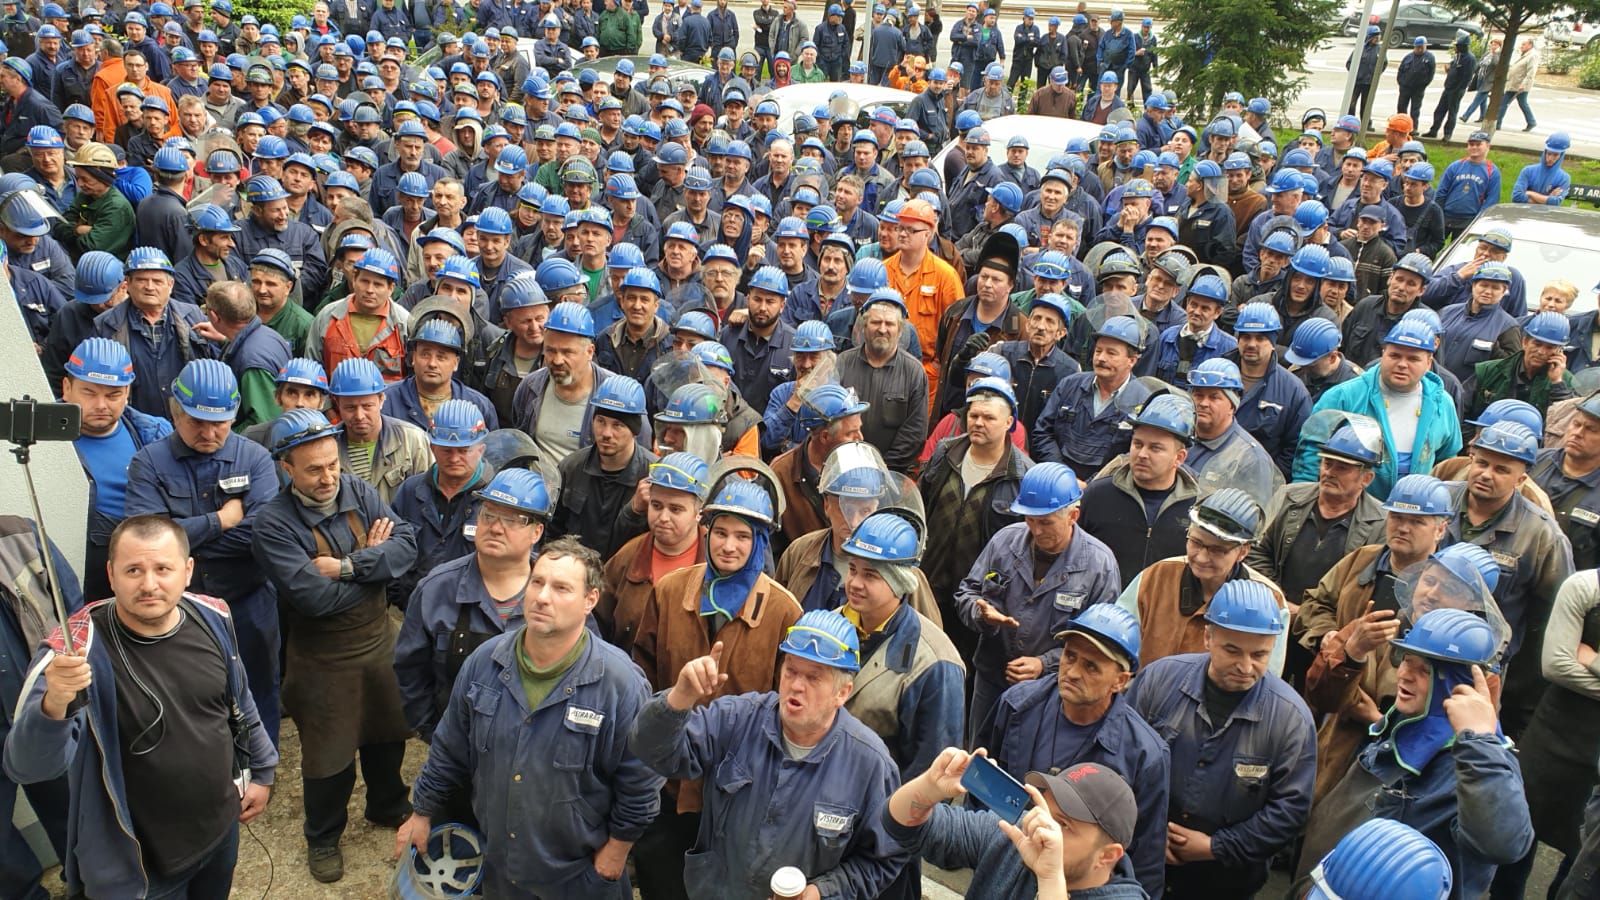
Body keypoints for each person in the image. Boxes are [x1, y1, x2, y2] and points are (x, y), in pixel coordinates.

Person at [3, 514, 277, 900]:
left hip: (219, 831)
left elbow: (240, 699)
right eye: (133, 570)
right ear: (111, 574)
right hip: (140, 868)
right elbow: (28, 768)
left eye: (162, 568)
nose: (149, 584)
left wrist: (262, 771)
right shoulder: (73, 653)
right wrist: (54, 705)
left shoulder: (213, 616)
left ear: (187, 570)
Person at [397, 536, 664, 897]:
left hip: (581, 875)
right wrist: (422, 811)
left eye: (561, 588)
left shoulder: (620, 684)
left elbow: (641, 780)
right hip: (502, 868)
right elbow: (449, 747)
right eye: (537, 582)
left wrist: (617, 849)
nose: (542, 596)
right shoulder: (485, 662)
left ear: (590, 600)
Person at [628, 608, 910, 900]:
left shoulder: (870, 764)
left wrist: (822, 893)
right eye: (791, 670)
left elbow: (883, 858)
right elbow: (652, 751)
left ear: (843, 692)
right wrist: (680, 698)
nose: (796, 685)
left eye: (814, 678)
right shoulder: (737, 720)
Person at [250, 408, 418, 883]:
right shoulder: (273, 524)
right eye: (314, 469)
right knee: (329, 757)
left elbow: (406, 545)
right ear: (287, 468)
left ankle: (386, 804)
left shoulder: (358, 490)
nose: (328, 478)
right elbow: (314, 599)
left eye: (333, 465)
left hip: (378, 641)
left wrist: (349, 565)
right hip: (322, 657)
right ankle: (322, 835)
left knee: (388, 733)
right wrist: (375, 564)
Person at [627, 477, 803, 900]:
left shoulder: (784, 610)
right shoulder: (669, 591)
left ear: (760, 541)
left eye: (743, 536)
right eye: (721, 532)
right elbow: (644, 671)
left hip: (740, 788)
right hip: (668, 779)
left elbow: (787, 707)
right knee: (662, 878)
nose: (729, 546)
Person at [1296, 608, 1534, 900]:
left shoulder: (1480, 761)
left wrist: (1481, 744)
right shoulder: (1405, 722)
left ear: (1456, 684)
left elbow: (1504, 844)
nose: (1404, 675)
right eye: (1406, 662)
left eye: (1424, 671)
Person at [124, 359, 282, 745]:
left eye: (221, 422)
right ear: (175, 413)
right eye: (198, 421)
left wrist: (180, 537)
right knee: (188, 694)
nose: (210, 433)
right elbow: (146, 541)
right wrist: (220, 520)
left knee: (259, 688)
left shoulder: (255, 458)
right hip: (179, 607)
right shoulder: (149, 463)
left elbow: (261, 536)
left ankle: (261, 768)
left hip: (248, 602)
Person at [1126, 579, 1317, 898]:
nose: (1245, 667)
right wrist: (1147, 835)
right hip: (1141, 862)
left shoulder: (1290, 720)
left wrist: (1215, 847)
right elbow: (1118, 760)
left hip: (1226, 882)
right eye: (1232, 650)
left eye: (1260, 654)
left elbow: (1291, 812)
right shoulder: (1158, 682)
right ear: (1207, 637)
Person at [1296, 478, 1461, 797]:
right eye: (1397, 517)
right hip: (1332, 714)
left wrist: (1379, 718)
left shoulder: (1445, 589)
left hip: (1399, 735)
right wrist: (1332, 638)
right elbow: (1314, 603)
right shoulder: (1362, 561)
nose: (1403, 527)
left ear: (1440, 529)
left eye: (1417, 521)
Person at [957, 461, 1120, 738]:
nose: (1036, 530)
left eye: (1045, 522)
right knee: (980, 758)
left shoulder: (1099, 565)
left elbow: (1100, 643)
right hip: (993, 678)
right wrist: (979, 613)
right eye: (1029, 520)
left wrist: (1045, 664)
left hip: (1052, 691)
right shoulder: (1004, 542)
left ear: (1073, 515)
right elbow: (967, 592)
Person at [1444, 421, 1575, 738]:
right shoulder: (1440, 501)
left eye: (1502, 469)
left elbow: (1554, 616)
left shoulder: (1541, 534)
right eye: (1482, 463)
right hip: (1416, 650)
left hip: (1483, 670)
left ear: (1522, 478)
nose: (1486, 474)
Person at [882, 748, 1149, 900]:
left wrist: (1049, 878)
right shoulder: (1018, 832)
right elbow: (902, 826)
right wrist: (930, 786)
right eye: (1045, 809)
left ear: (1107, 855)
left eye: (1064, 825)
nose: (1042, 826)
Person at [1118, 488, 1290, 672]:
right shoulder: (1156, 577)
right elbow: (1117, 647)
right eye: (1195, 542)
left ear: (1243, 551)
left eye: (1217, 550)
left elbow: (1266, 677)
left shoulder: (1270, 600)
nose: (1201, 557)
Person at [1298, 319, 1463, 499]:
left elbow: (1447, 462)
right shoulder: (1343, 396)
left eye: (1413, 358)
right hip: (1348, 513)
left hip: (1411, 514)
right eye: (1395, 355)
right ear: (1383, 354)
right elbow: (1310, 456)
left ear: (1429, 362)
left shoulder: (1442, 403)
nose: (1402, 364)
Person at [1247, 422, 1387, 630]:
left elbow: (1364, 589)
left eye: (1342, 468)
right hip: (1272, 616)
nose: (1330, 472)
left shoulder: (1380, 524)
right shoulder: (1289, 497)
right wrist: (1279, 599)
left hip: (1329, 630)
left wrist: (1307, 615)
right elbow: (1256, 551)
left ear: (1366, 478)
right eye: (1327, 464)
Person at [548, 376, 655, 561]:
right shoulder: (571, 467)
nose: (606, 433)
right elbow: (552, 532)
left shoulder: (653, 475)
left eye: (618, 425)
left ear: (634, 431)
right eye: (600, 421)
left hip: (624, 580)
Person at [1033, 316, 1150, 476]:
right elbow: (1043, 432)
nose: (1101, 358)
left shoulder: (1143, 402)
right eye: (1098, 350)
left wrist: (1093, 486)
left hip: (1106, 490)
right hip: (1055, 478)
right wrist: (1062, 476)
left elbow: (1133, 457)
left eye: (1111, 353)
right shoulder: (1070, 385)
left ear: (1131, 360)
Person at [834, 292, 929, 472]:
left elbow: (914, 434)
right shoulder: (842, 363)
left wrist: (882, 468)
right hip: (843, 467)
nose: (882, 329)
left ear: (900, 330)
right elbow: (830, 420)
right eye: (876, 322)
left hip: (892, 474)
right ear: (863, 326)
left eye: (890, 324)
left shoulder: (914, 372)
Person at [1184, 358, 1281, 507]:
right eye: (1198, 394)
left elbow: (1251, 521)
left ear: (1233, 405)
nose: (1203, 403)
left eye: (1214, 397)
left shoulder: (1251, 460)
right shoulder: (1179, 437)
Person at [1423, 34, 1475, 141]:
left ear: (1464, 46)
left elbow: (1467, 77)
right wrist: (1449, 70)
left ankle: (1447, 134)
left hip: (1456, 90)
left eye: (1458, 45)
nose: (1455, 47)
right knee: (1439, 111)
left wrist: (1458, 89)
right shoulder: (1458, 56)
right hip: (1448, 88)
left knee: (1452, 113)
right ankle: (1434, 130)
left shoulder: (1469, 59)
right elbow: (1453, 67)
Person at [1514, 132, 1570, 205]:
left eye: (1555, 155)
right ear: (1545, 152)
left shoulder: (1564, 178)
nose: (1550, 158)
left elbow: (1556, 202)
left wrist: (1530, 193)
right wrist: (1547, 198)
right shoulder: (1528, 171)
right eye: (1549, 153)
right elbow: (1516, 197)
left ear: (1561, 156)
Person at [1497, 37, 1539, 132]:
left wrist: (1523, 84)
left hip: (1520, 85)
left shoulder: (1533, 56)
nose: (1522, 46)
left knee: (1505, 103)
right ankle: (1531, 122)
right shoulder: (1525, 55)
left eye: (1524, 44)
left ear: (1530, 45)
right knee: (1518, 103)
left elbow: (1531, 72)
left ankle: (1497, 123)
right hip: (1514, 84)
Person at [1394, 37, 1435, 124]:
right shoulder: (1408, 57)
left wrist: (1423, 84)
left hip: (1418, 89)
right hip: (1406, 87)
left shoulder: (1429, 58)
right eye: (1418, 47)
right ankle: (1401, 124)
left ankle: (1413, 127)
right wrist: (1401, 82)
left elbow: (1431, 73)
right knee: (1401, 107)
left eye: (1422, 47)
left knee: (1415, 109)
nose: (1419, 49)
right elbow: (1400, 70)